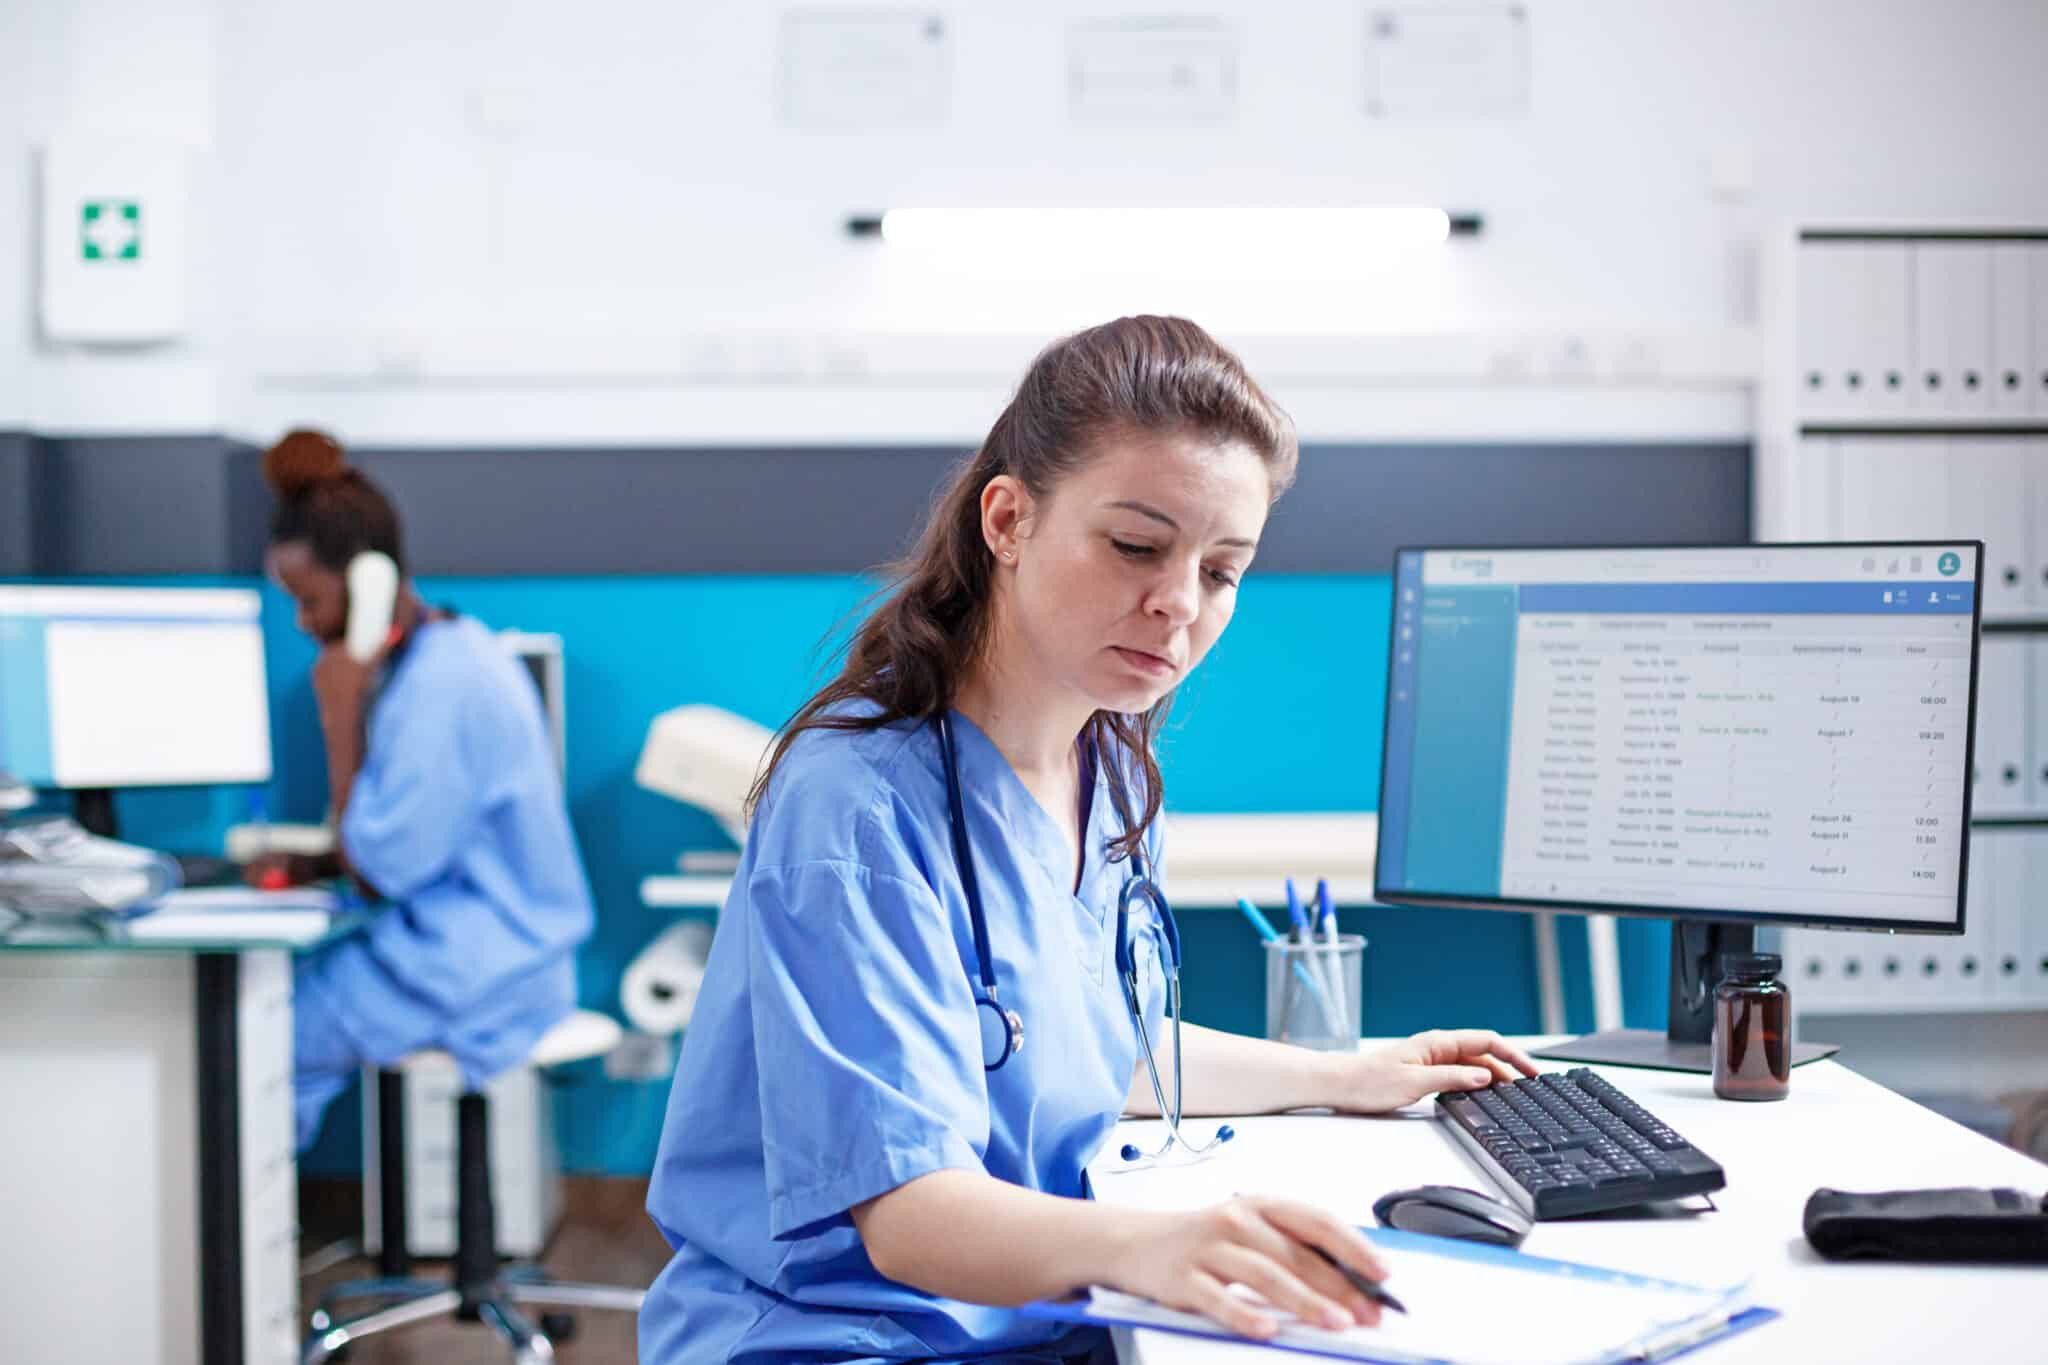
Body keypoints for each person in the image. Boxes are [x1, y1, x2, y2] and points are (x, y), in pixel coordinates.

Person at [639, 316, 1536, 1364]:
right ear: (1008, 520)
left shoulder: (1109, 770)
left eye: (1221, 571)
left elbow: (1089, 1053)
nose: (1175, 606)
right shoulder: (856, 804)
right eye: (1136, 547)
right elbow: (910, 1215)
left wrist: (1347, 1072)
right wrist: (1158, 1248)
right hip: (849, 1337)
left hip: (1039, 1320)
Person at [252, 429, 596, 1151]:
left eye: (309, 600)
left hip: (489, 965)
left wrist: (340, 719)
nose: (304, 624)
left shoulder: (441, 686)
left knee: (256, 1044)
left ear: (369, 581)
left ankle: (222, 1252)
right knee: (275, 1012)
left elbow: (384, 866)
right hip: (489, 947)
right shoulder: (445, 657)